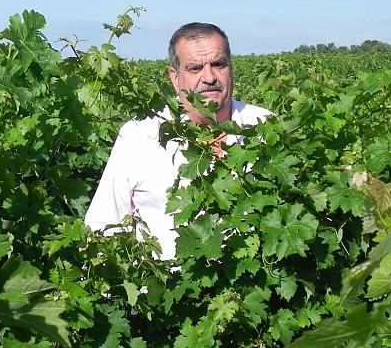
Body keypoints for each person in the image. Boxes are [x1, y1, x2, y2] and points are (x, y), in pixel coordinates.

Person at [84, 22, 272, 260]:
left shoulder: (262, 124)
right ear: (175, 78)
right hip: (166, 292)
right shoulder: (138, 135)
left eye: (218, 64)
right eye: (194, 68)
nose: (209, 77)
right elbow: (103, 225)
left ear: (230, 68)